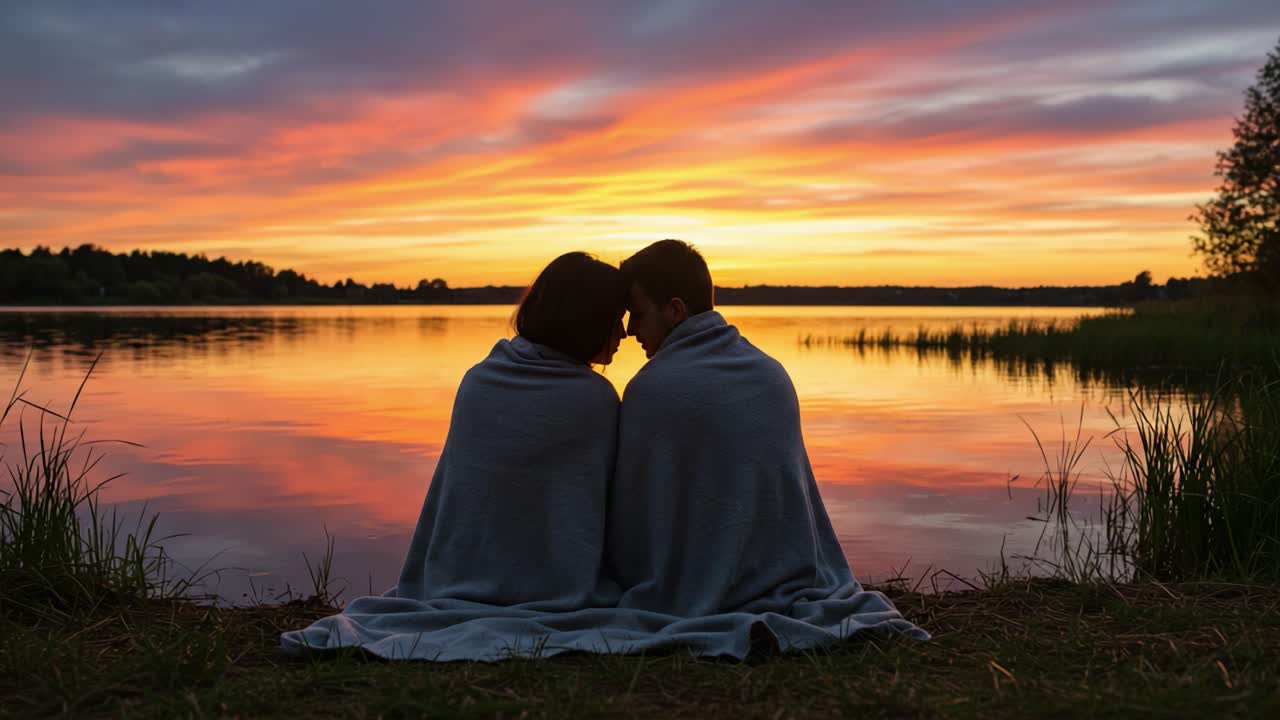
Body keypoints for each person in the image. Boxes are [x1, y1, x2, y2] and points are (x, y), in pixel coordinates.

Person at [606, 240, 926, 645]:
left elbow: (633, 520)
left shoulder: (650, 388)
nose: (631, 329)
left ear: (675, 310)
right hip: (791, 577)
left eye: (638, 313)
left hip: (688, 592)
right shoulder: (770, 373)